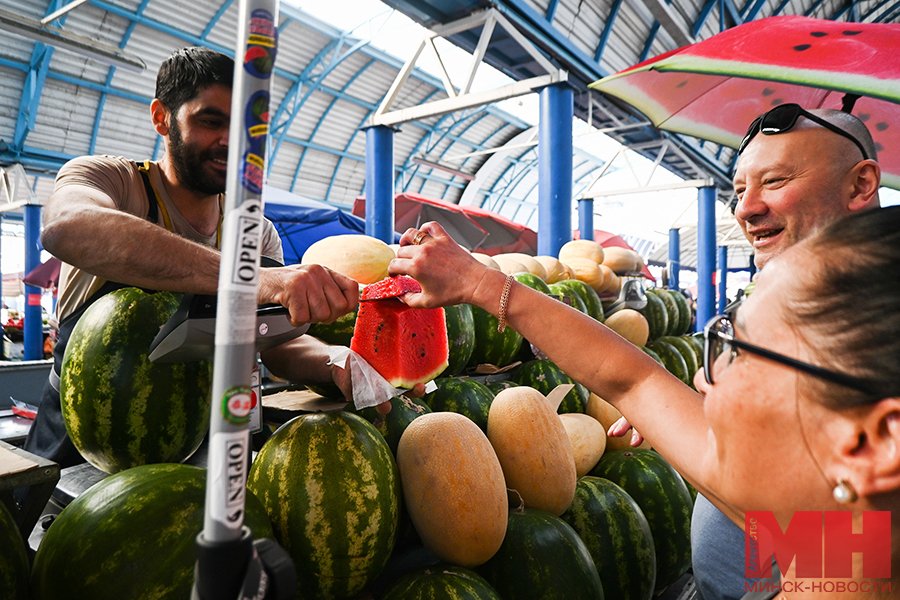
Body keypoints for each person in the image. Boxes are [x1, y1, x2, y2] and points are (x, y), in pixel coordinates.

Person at [391, 203, 900, 599]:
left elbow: (636, 382)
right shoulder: (829, 530)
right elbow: (634, 380)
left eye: (740, 353)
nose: (702, 378)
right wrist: (481, 283)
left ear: (873, 443)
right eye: (722, 337)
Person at [23, 47, 374, 473]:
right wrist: (251, 279)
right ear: (161, 117)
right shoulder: (114, 182)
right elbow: (66, 224)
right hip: (85, 455)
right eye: (210, 121)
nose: (231, 141)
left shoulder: (255, 231)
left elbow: (278, 345)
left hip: (209, 449)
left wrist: (338, 362)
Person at [609, 104, 883, 599]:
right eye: (738, 191)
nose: (744, 208)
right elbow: (636, 382)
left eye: (775, 181)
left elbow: (849, 561)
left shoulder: (874, 335)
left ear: (861, 185)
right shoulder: (791, 302)